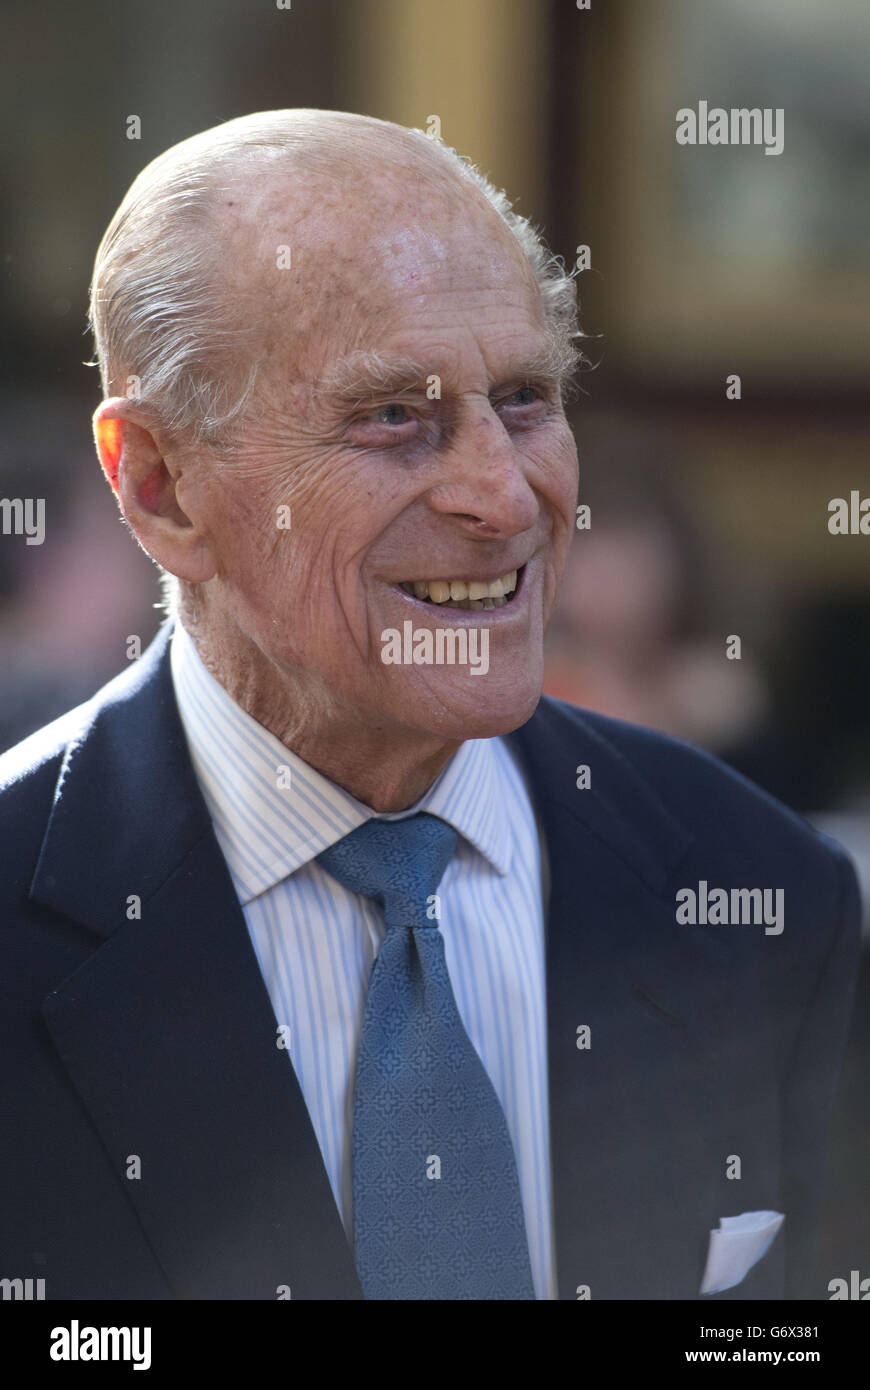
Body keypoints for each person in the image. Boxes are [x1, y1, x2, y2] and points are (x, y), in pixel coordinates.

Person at [0, 110, 859, 1301]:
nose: (504, 498)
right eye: (394, 416)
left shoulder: (765, 898)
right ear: (159, 486)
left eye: (523, 399)